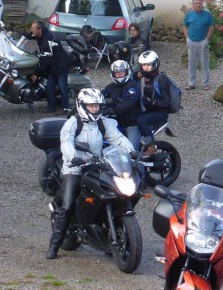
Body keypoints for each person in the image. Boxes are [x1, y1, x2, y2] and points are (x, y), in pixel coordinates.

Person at [47, 88, 133, 259]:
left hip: (96, 164)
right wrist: (73, 158)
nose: (95, 109)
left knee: (114, 191)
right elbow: (66, 143)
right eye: (91, 106)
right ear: (82, 106)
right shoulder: (72, 123)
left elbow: (117, 138)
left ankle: (108, 231)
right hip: (75, 167)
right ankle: (54, 245)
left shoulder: (103, 123)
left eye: (97, 106)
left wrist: (132, 152)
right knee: (68, 205)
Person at [26, 20, 70, 113]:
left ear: (39, 29)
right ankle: (51, 107)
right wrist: (19, 33)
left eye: (33, 28)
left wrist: (36, 74)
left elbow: (46, 59)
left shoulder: (47, 39)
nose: (31, 30)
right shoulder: (39, 35)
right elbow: (30, 35)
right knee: (49, 87)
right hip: (53, 65)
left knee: (63, 87)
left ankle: (66, 108)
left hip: (60, 64)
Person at [136, 50, 173, 151]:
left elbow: (167, 102)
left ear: (155, 64)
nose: (146, 68)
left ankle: (150, 146)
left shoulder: (161, 79)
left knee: (141, 120)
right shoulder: (147, 78)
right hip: (150, 110)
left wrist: (153, 102)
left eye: (149, 65)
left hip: (161, 112)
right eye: (143, 65)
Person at [102, 59, 141, 146]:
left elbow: (127, 104)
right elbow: (99, 96)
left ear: (127, 72)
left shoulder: (132, 87)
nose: (119, 75)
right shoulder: (111, 87)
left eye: (122, 73)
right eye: (117, 73)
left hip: (132, 123)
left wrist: (111, 110)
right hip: (117, 120)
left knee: (130, 151)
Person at [182, 0, 214, 90]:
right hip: (191, 41)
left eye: (200, 3)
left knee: (204, 63)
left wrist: (207, 40)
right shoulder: (189, 14)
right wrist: (187, 38)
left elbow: (211, 27)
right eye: (196, 3)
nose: (198, 5)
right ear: (193, 4)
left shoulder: (207, 15)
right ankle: (191, 83)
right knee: (191, 64)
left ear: (202, 4)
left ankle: (205, 84)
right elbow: (184, 26)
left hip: (203, 41)